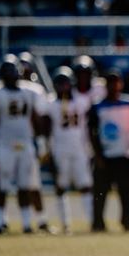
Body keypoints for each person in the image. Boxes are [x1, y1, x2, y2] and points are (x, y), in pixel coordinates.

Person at [0, 55, 49, 234]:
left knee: (24, 185)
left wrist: (41, 142)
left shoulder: (29, 91)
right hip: (5, 143)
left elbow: (35, 118)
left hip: (25, 142)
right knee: (2, 185)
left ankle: (27, 224)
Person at [41, 67, 94, 233]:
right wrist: (47, 150)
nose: (63, 87)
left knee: (85, 185)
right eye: (60, 84)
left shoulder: (82, 100)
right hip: (60, 148)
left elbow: (90, 125)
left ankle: (92, 221)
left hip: (79, 148)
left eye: (65, 84)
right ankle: (65, 223)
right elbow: (46, 129)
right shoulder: (51, 104)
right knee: (61, 186)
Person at [88, 70, 129, 232]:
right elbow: (92, 132)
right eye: (110, 82)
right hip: (105, 154)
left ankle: (127, 219)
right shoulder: (98, 106)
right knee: (100, 192)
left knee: (126, 191)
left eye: (116, 82)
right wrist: (97, 154)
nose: (114, 86)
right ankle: (98, 221)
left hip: (124, 153)